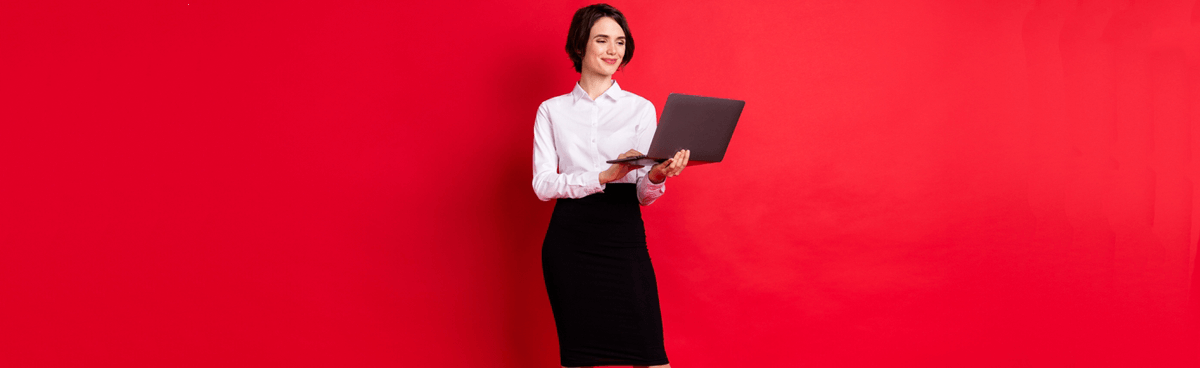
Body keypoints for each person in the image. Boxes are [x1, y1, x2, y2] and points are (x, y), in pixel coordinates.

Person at [532, 4, 690, 368]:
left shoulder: (640, 109)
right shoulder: (551, 110)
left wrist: (657, 175)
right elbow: (542, 184)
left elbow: (643, 195)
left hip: (624, 237)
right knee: (579, 358)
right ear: (579, 47)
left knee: (652, 358)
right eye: (601, 40)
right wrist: (602, 176)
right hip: (569, 243)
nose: (612, 50)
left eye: (619, 42)